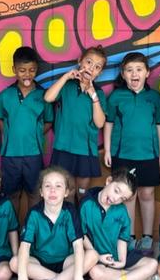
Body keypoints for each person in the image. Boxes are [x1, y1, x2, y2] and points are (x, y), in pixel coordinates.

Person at [104, 52, 160, 253]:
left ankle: (147, 236)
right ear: (123, 74)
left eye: (139, 69)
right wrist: (107, 149)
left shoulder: (154, 97)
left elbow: (159, 125)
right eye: (129, 70)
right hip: (123, 154)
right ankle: (128, 236)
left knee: (147, 194)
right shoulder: (116, 97)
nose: (134, 74)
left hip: (149, 155)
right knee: (127, 196)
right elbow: (109, 123)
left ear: (147, 73)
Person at [44, 46, 107, 202]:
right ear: (80, 61)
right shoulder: (67, 86)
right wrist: (66, 77)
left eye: (97, 67)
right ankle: (69, 224)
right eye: (89, 62)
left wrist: (93, 95)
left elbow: (100, 123)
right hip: (64, 147)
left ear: (100, 73)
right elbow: (48, 98)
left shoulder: (98, 94)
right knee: (67, 192)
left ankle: (82, 224)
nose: (91, 68)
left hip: (85, 150)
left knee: (82, 191)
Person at [10, 166, 97, 280]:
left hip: (65, 261)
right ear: (41, 192)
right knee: (14, 262)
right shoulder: (34, 213)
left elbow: (77, 245)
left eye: (58, 186)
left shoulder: (70, 211)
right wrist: (22, 277)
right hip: (39, 261)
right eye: (47, 186)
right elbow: (25, 246)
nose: (52, 190)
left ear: (66, 192)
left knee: (92, 255)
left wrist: (77, 276)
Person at [0, 46, 53, 215]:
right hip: (10, 155)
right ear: (14, 69)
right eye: (22, 70)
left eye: (32, 70)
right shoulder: (5, 95)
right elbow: (2, 121)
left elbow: (49, 122)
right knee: (11, 194)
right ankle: (13, 234)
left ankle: (31, 233)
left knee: (34, 193)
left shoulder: (44, 95)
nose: (27, 75)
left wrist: (33, 134)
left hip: (33, 154)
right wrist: (13, 137)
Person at [80, 167, 158, 280]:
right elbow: (81, 235)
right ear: (109, 181)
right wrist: (98, 257)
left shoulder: (121, 210)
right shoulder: (86, 204)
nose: (116, 199)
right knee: (95, 272)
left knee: (153, 264)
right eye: (116, 191)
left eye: (122, 198)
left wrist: (122, 261)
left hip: (117, 256)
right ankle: (135, 277)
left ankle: (123, 277)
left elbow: (122, 237)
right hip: (98, 259)